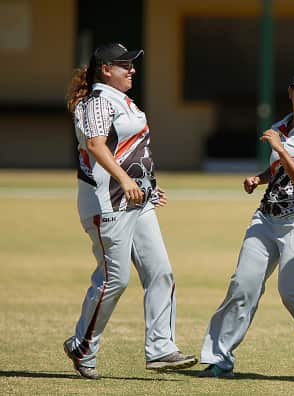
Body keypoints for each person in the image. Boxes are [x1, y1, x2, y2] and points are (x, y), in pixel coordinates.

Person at [197, 70, 294, 379]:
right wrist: (260, 177)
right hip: (267, 217)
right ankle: (219, 359)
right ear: (290, 92)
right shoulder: (279, 127)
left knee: (293, 291)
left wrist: (281, 149)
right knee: (242, 284)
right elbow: (280, 171)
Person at [63, 43, 197, 380]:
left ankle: (161, 348)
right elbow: (95, 145)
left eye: (132, 64)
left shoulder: (124, 101)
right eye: (126, 65)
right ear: (106, 69)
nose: (133, 70)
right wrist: (124, 180)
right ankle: (83, 345)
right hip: (106, 201)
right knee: (114, 279)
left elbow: (130, 150)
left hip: (135, 201)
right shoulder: (95, 102)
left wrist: (147, 186)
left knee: (161, 272)